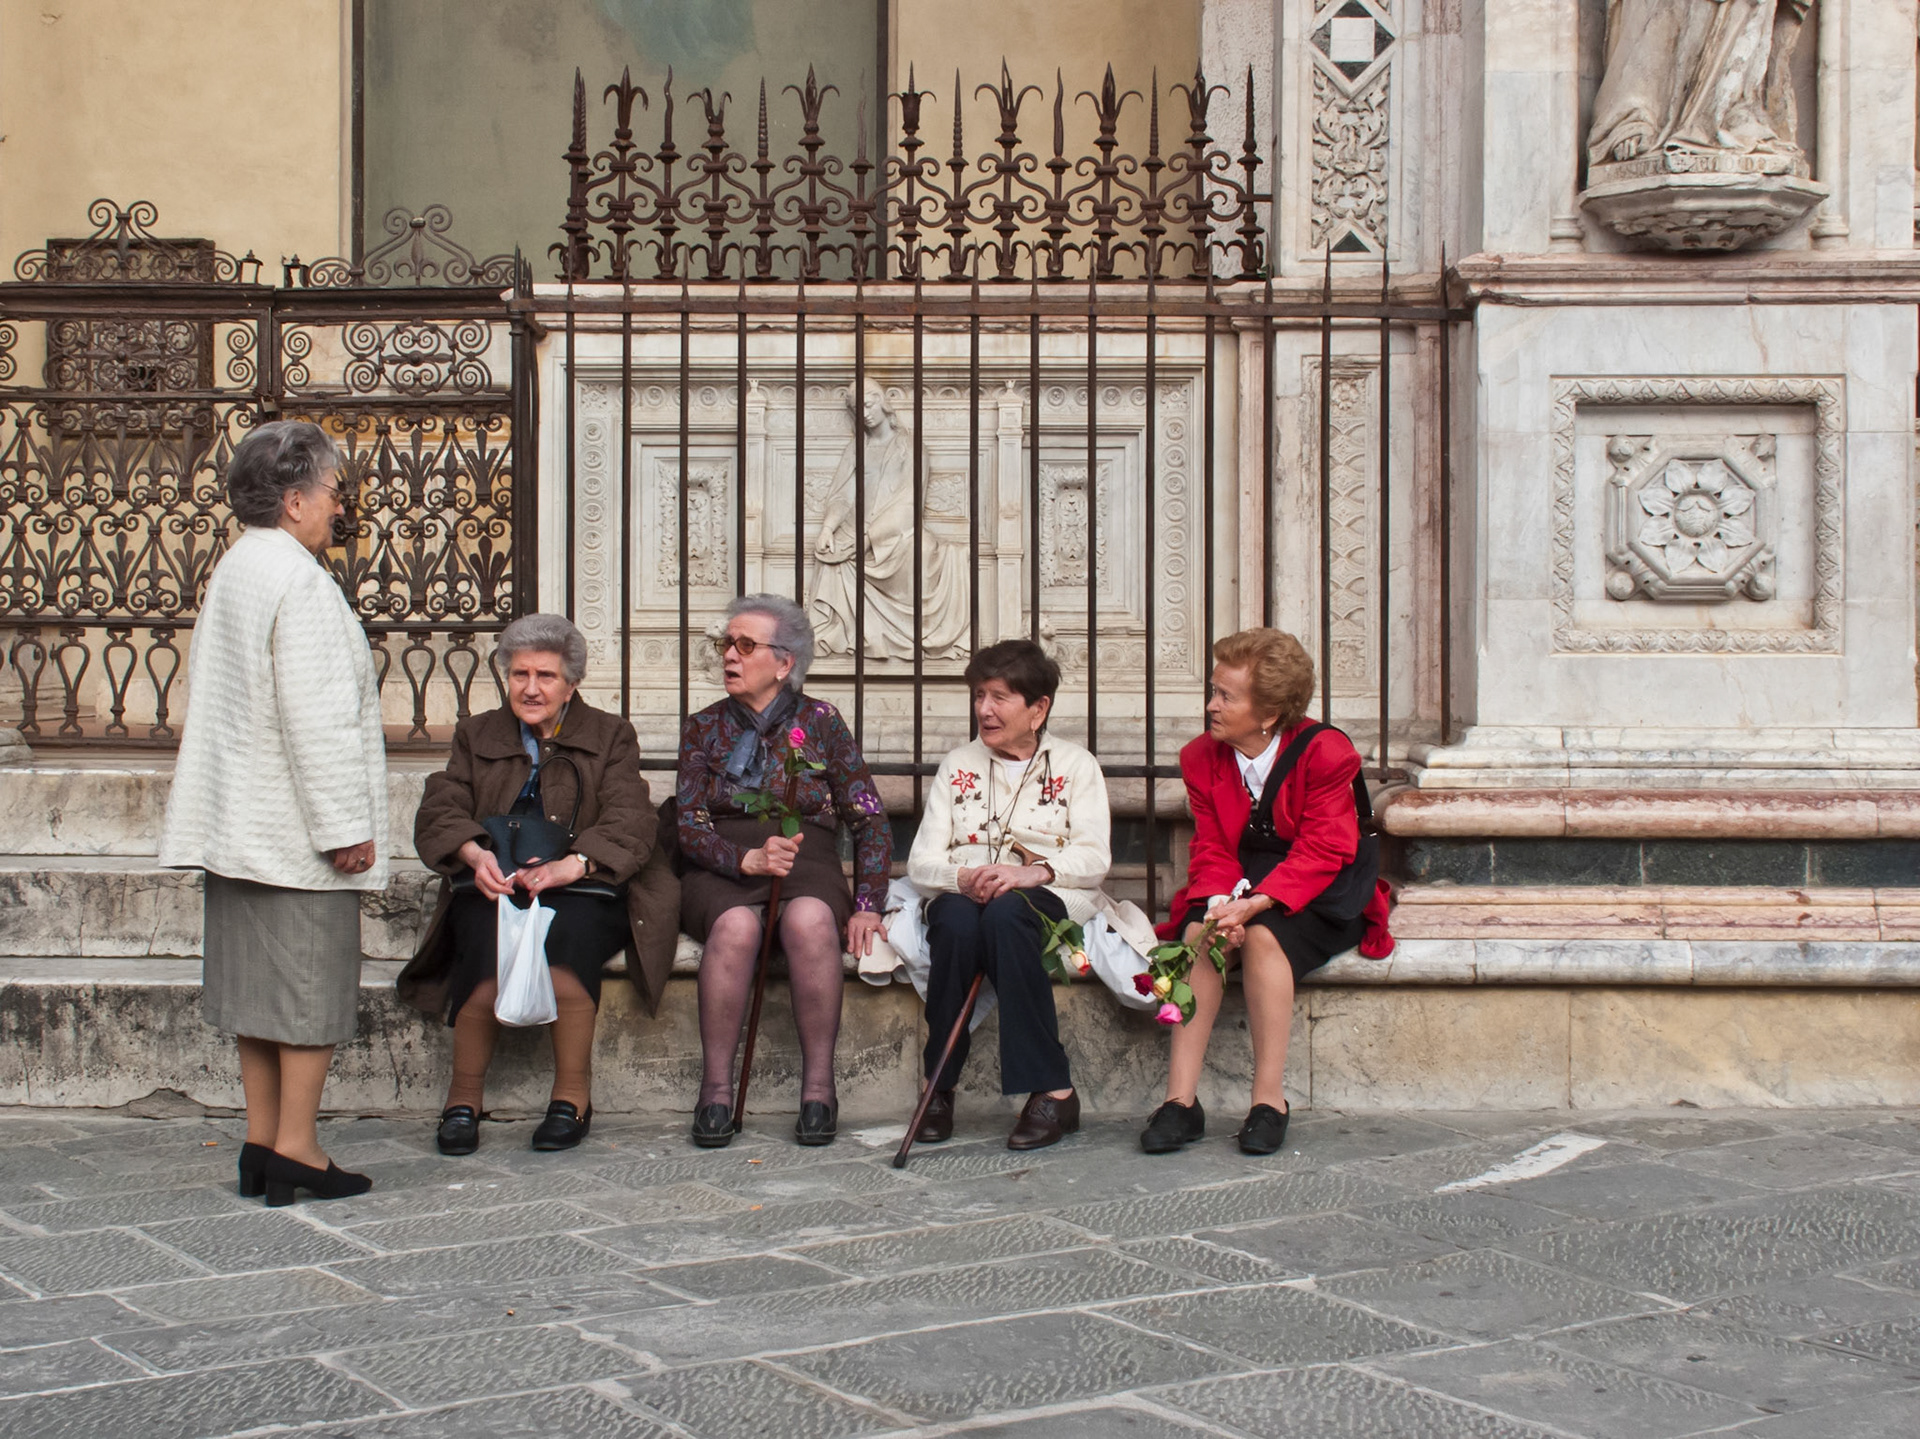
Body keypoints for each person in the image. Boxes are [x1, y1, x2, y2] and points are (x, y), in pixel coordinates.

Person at [158, 420, 385, 1207]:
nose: (335, 507)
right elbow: (316, 718)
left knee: (256, 997)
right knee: (308, 996)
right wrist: (344, 825)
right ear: (294, 500)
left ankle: (260, 1142)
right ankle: (299, 1146)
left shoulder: (238, 567)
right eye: (329, 492)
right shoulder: (300, 580)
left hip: (237, 821)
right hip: (294, 832)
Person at [401, 613, 677, 1154]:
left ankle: (572, 1097)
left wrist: (573, 865)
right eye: (520, 674)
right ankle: (463, 1100)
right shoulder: (476, 732)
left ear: (572, 682)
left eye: (546, 676)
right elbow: (443, 803)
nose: (531, 688)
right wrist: (471, 852)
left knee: (564, 957)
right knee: (485, 953)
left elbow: (630, 817)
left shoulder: (610, 734)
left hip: (583, 885)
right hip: (498, 881)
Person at [1143, 628, 1393, 1158]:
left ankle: (1268, 1101)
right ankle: (1181, 1103)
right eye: (1212, 690)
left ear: (1270, 712)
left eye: (1226, 696)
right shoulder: (1201, 758)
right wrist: (1217, 903)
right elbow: (1211, 844)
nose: (1211, 706)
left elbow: (1325, 849)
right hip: (1242, 877)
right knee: (1199, 933)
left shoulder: (1326, 752)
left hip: (1322, 884)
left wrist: (1258, 903)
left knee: (1259, 937)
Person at [678, 594, 892, 1147]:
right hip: (723, 866)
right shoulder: (702, 727)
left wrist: (868, 903)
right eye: (726, 643)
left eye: (745, 645)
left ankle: (819, 1089)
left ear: (784, 662)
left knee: (811, 923)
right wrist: (742, 858)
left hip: (807, 859)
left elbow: (869, 819)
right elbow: (687, 825)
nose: (729, 654)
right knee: (736, 927)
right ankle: (716, 1091)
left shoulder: (821, 721)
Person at [907, 639, 1111, 1151]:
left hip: (1047, 892)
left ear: (1038, 708)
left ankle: (1052, 1090)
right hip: (965, 891)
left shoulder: (1076, 764)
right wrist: (963, 879)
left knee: (1005, 917)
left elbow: (1094, 859)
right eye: (979, 695)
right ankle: (938, 1087)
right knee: (954, 925)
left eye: (999, 697)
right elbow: (920, 862)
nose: (984, 709)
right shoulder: (958, 764)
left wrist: (1034, 873)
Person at [807, 379, 968, 660]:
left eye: (868, 405)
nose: (865, 413)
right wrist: (827, 529)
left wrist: (869, 539)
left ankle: (907, 637)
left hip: (894, 534)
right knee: (831, 558)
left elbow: (909, 501)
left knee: (920, 551)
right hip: (853, 532)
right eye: (859, 410)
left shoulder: (910, 447)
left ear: (882, 402)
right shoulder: (856, 449)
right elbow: (842, 496)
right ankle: (848, 638)